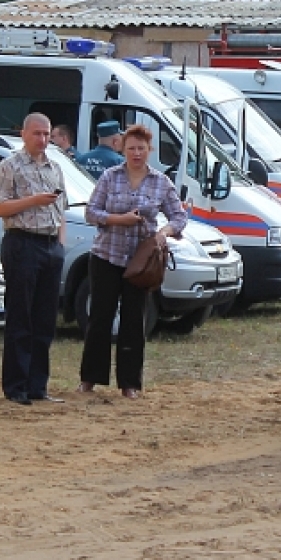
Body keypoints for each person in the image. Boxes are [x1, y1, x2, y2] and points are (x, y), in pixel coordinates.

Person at [80, 124, 187, 399]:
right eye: (131, 148)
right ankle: (90, 379)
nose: (136, 153)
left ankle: (130, 384)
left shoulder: (161, 181)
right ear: (121, 149)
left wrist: (163, 234)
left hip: (141, 260)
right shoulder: (109, 176)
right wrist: (118, 219)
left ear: (149, 150)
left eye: (141, 148)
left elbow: (179, 217)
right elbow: (91, 212)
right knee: (100, 317)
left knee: (133, 320)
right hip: (106, 254)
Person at [0, 113, 69, 405]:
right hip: (23, 242)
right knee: (20, 317)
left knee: (44, 319)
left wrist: (60, 243)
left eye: (47, 134)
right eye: (37, 133)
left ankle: (38, 385)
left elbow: (62, 209)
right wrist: (33, 201)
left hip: (49, 245)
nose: (43, 140)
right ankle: (16, 386)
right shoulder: (10, 166)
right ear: (23, 134)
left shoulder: (55, 168)